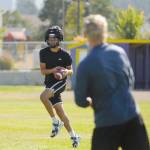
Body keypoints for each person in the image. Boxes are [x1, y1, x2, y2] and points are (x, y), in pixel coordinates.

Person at [74, 14, 149, 150]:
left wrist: (90, 102)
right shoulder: (119, 52)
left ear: (85, 34)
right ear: (105, 32)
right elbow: (130, 81)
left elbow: (80, 100)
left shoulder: (85, 64)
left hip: (106, 124)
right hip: (133, 119)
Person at [39, 26, 80, 148]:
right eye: (50, 39)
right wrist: (53, 70)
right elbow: (43, 71)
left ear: (59, 39)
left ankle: (55, 122)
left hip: (60, 83)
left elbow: (71, 71)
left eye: (54, 39)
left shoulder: (66, 54)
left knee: (43, 96)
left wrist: (65, 73)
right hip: (49, 84)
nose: (51, 41)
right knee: (60, 112)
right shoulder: (43, 52)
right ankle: (74, 136)